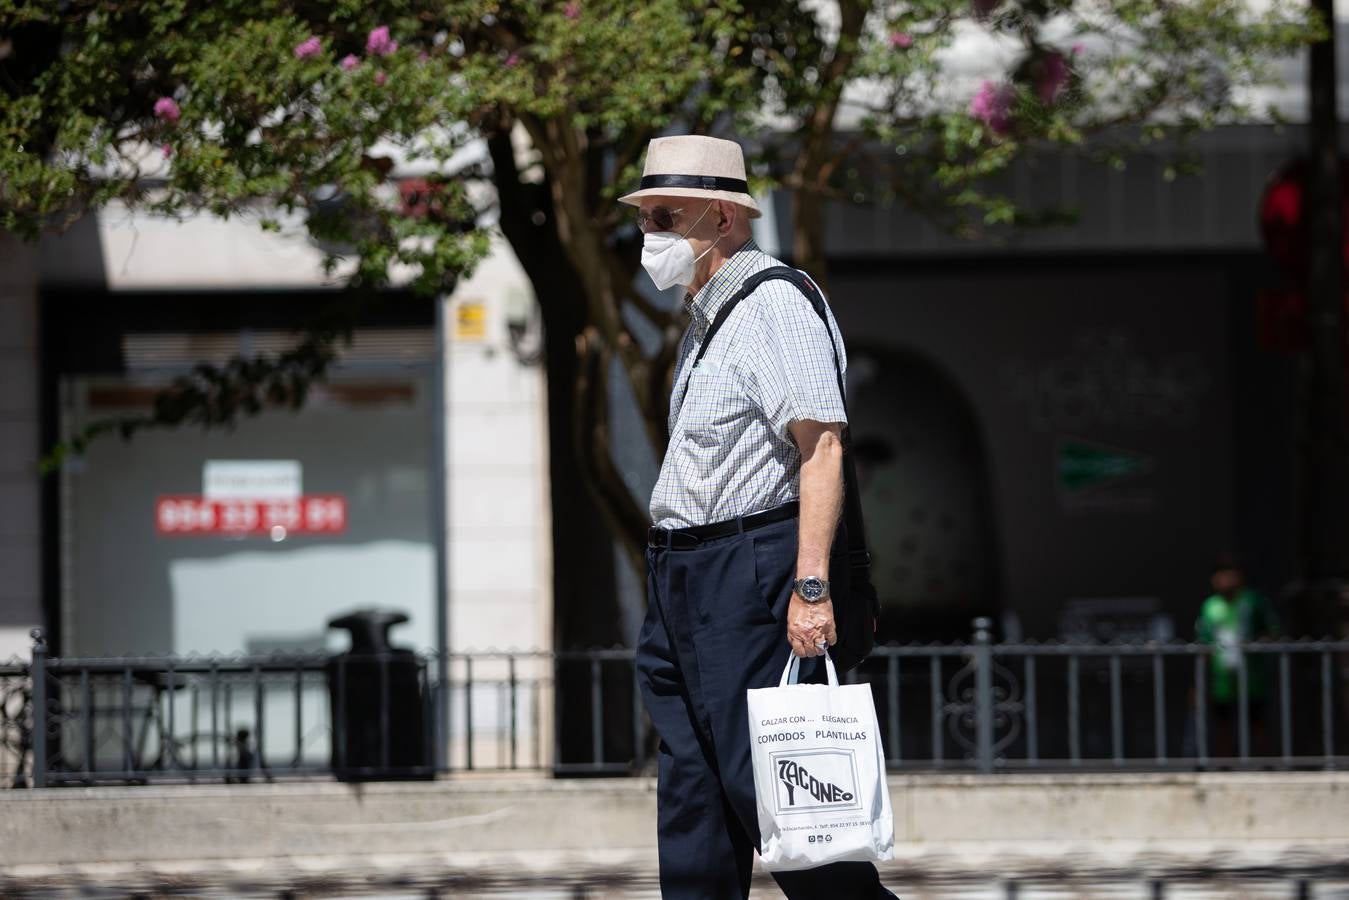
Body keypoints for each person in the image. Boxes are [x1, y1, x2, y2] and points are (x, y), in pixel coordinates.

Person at [622, 135, 896, 898]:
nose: (649, 236)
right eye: (645, 218)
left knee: (797, 817)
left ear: (721, 217)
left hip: (747, 577)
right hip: (682, 578)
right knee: (693, 817)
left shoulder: (773, 301)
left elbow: (822, 448)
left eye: (663, 216)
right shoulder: (707, 319)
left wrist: (810, 589)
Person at [1193, 556, 1280, 760]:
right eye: (1221, 575)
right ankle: (1225, 767)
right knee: (1223, 725)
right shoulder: (1210, 606)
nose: (1226, 580)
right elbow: (1203, 643)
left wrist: (1255, 643)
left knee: (1257, 723)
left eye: (1230, 574)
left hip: (1253, 677)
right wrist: (1197, 682)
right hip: (1221, 680)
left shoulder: (1253, 601)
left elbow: (1273, 631)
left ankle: (1263, 765)